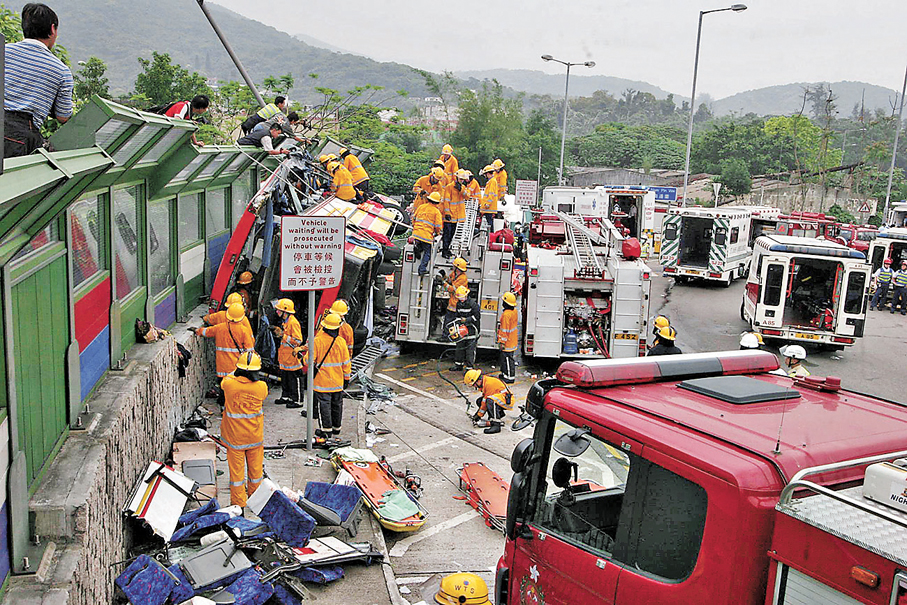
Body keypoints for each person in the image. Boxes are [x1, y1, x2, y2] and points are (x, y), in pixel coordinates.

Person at [3, 3, 73, 158]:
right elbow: (63, 116)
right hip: (18, 138)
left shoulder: (4, 51)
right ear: (53, 29)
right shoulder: (61, 70)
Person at [220, 351, 267, 507]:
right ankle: (256, 502)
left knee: (237, 477)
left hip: (235, 440)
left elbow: (227, 378)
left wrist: (239, 366)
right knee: (256, 474)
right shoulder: (261, 387)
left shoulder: (229, 385)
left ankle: (239, 505)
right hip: (254, 438)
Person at [300, 313, 351, 437]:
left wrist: (301, 357)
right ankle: (336, 428)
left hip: (322, 383)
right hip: (337, 382)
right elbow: (346, 363)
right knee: (337, 405)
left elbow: (308, 361)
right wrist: (347, 378)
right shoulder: (341, 342)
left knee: (324, 406)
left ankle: (326, 431)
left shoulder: (317, 341)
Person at [193, 302, 255, 379]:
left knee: (223, 388)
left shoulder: (220, 328)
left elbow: (206, 332)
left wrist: (197, 330)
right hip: (237, 369)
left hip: (222, 370)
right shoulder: (244, 331)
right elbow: (250, 352)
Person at [273, 298, 304, 407]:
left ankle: (297, 401)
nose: (277, 312)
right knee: (286, 379)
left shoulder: (293, 323)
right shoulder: (285, 322)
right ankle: (286, 396)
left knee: (294, 379)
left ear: (285, 311)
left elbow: (298, 340)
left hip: (292, 358)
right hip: (285, 358)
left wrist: (283, 335)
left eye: (279, 310)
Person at [465, 369, 512, 435]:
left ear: (477, 381)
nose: (474, 387)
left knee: (490, 401)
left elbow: (485, 402)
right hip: (501, 399)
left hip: (507, 401)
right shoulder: (485, 382)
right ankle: (499, 414)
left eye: (474, 385)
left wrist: (479, 415)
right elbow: (483, 400)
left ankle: (496, 425)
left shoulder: (489, 383)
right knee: (480, 401)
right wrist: (478, 414)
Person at [412, 191, 443, 276]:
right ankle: (422, 269)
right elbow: (438, 226)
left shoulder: (421, 207)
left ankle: (418, 248)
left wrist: (415, 227)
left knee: (421, 245)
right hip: (426, 236)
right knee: (428, 252)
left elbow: (414, 218)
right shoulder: (436, 212)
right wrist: (438, 233)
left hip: (416, 233)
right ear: (437, 202)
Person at [453, 285, 480, 371]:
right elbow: (457, 316)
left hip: (472, 330)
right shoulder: (458, 304)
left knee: (470, 350)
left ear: (466, 295)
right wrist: (458, 325)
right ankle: (458, 365)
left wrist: (467, 320)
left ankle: (469, 368)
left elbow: (477, 317)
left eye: (462, 297)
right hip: (462, 330)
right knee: (459, 347)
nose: (461, 299)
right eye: (459, 297)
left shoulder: (473, 304)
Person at [497, 292, 519, 383]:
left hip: (507, 343)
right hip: (512, 339)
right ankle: (505, 374)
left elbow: (504, 330)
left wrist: (502, 342)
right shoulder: (514, 311)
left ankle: (510, 377)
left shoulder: (506, 315)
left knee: (507, 360)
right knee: (505, 360)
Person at [445, 257, 469, 329]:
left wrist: (443, 283)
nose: (453, 267)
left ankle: (446, 337)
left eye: (454, 266)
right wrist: (444, 277)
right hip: (453, 302)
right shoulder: (455, 274)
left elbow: (452, 289)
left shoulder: (462, 278)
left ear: (457, 268)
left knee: (450, 322)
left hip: (456, 304)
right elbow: (450, 279)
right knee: (449, 321)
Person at [480, 165, 499, 230]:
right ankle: (490, 236)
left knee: (489, 224)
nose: (485, 176)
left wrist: (487, 203)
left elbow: (491, 194)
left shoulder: (492, 181)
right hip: (488, 207)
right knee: (489, 223)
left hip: (489, 207)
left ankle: (490, 237)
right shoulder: (491, 181)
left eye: (485, 174)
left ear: (488, 173)